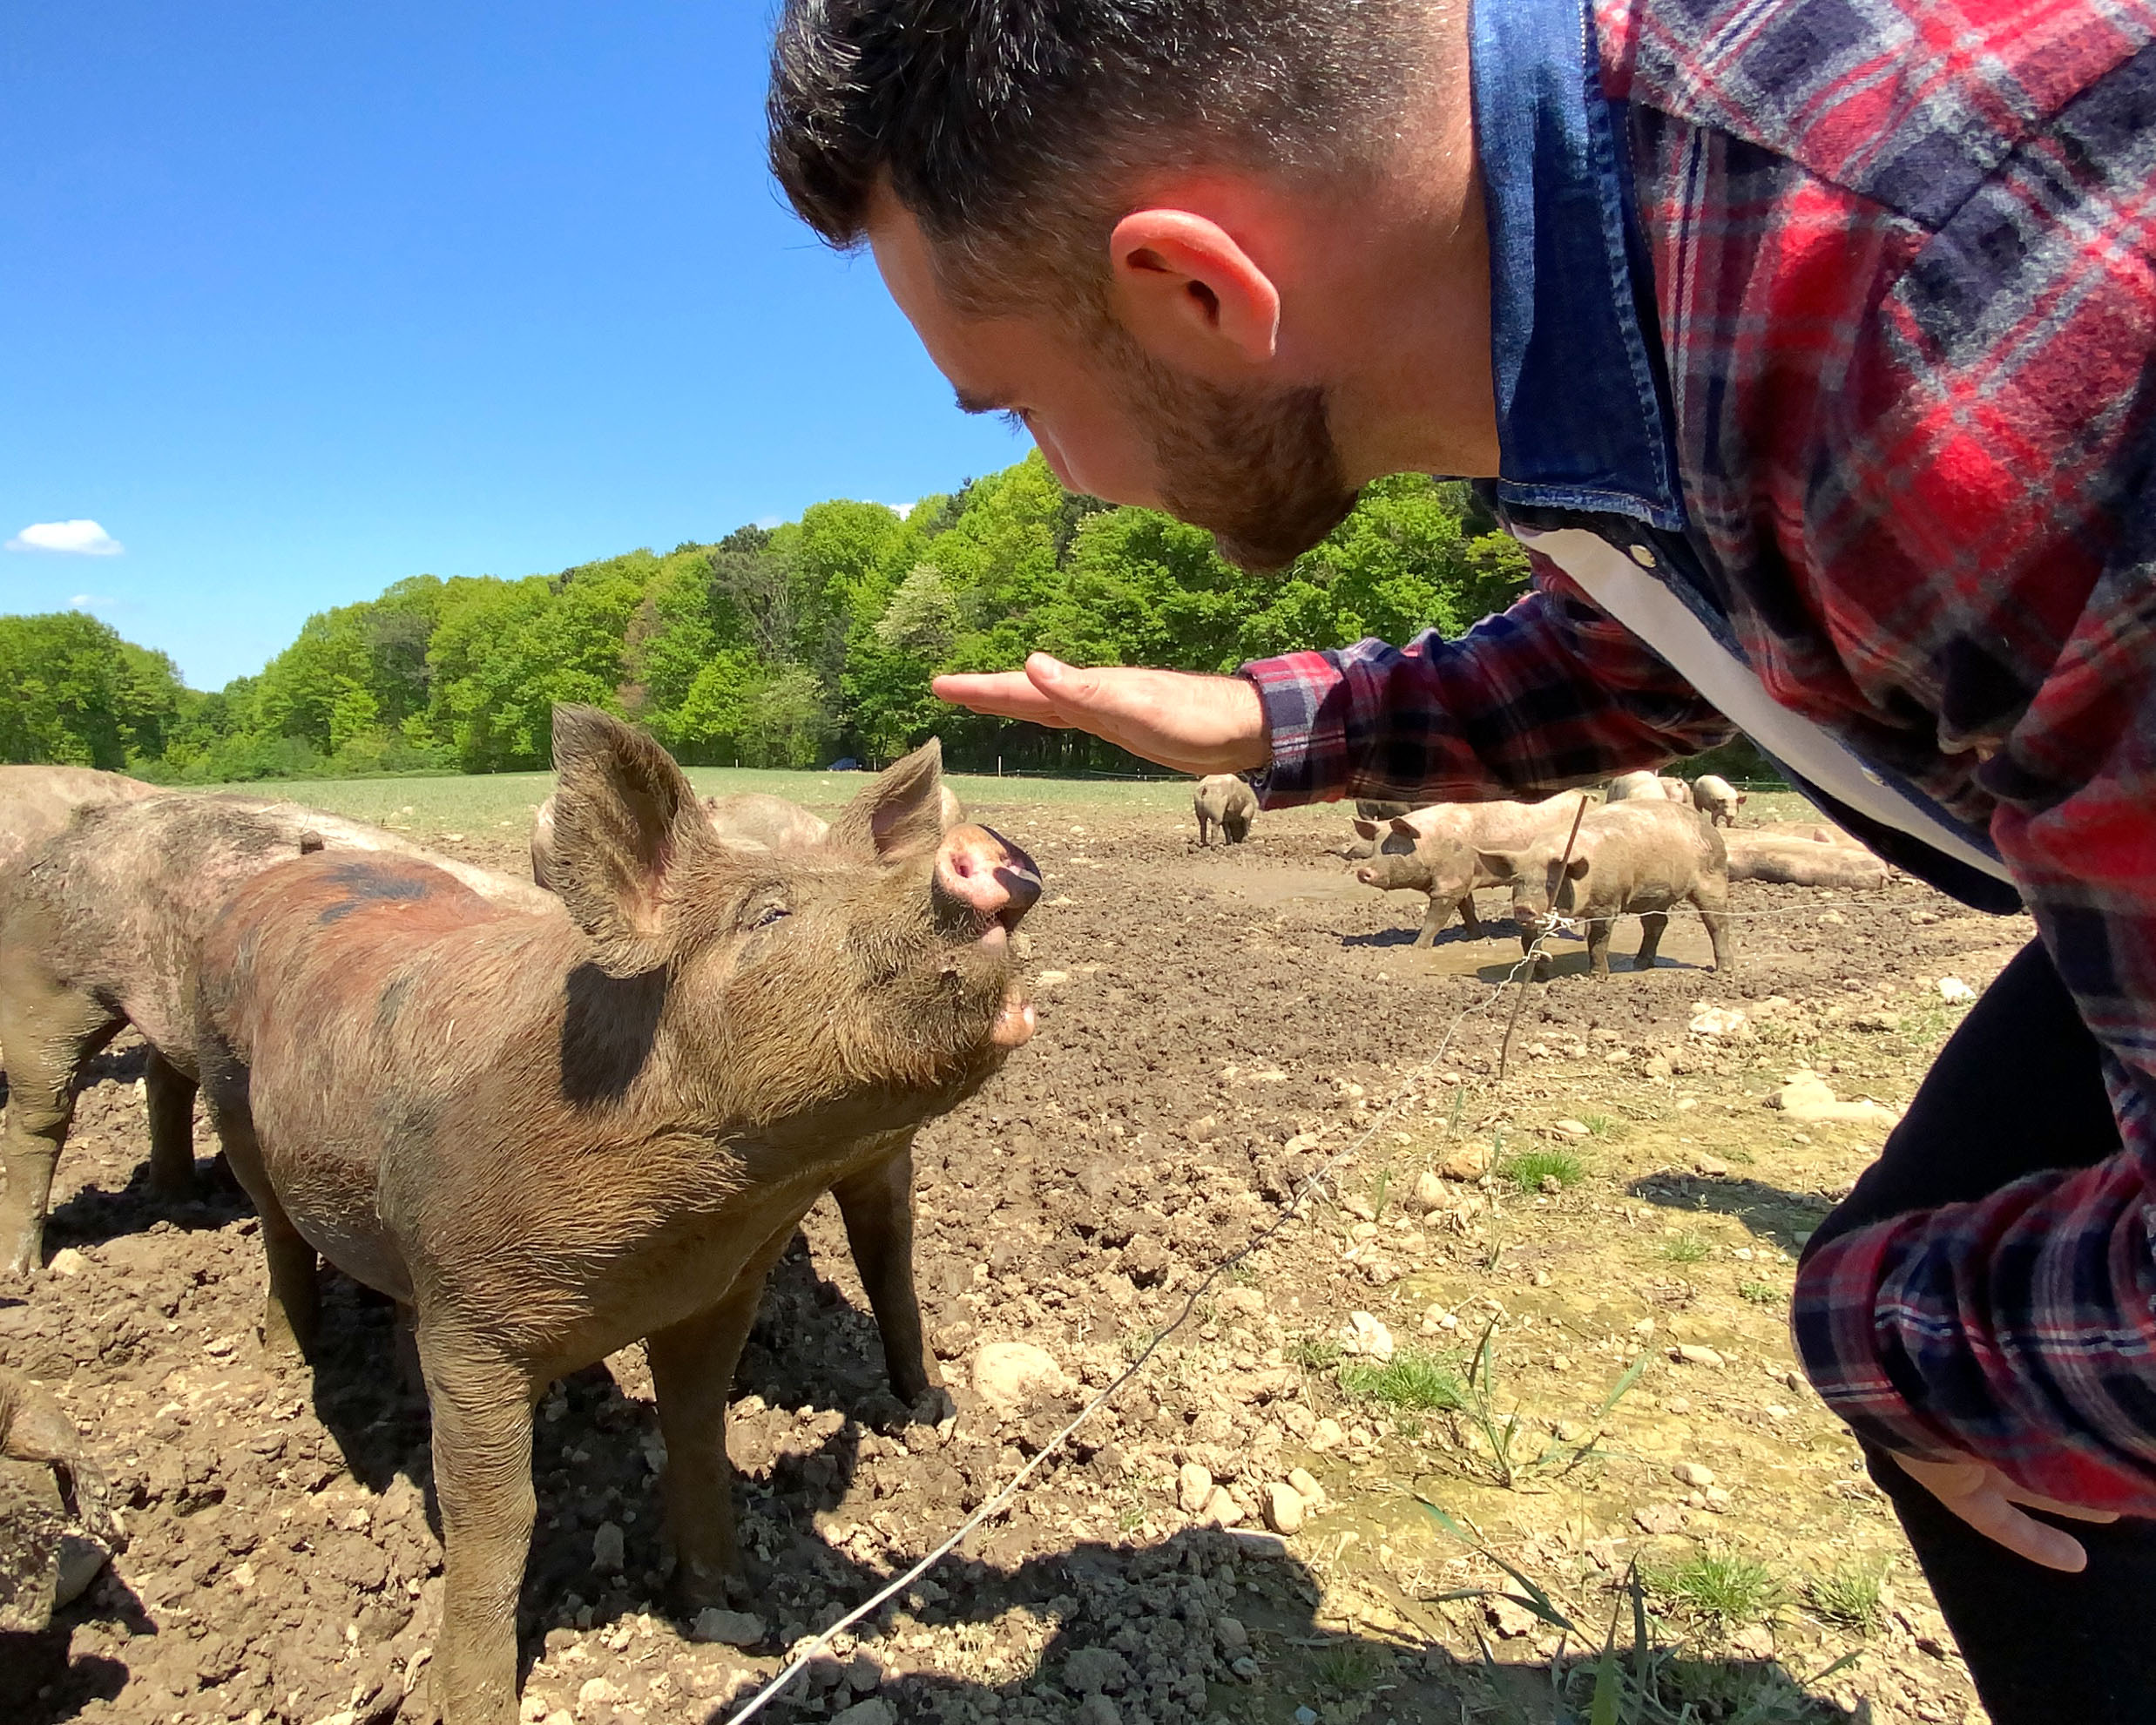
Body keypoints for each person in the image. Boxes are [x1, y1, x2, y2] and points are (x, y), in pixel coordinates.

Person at [766, 1, 2156, 1716]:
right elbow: (1666, 636)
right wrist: (1272, 724)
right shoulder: (1641, 281)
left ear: (1195, 293)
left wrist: (1876, 1336)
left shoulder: (1965, 325)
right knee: (1941, 1253)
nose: (1056, 473)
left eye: (1013, 413)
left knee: (1932, 1320)